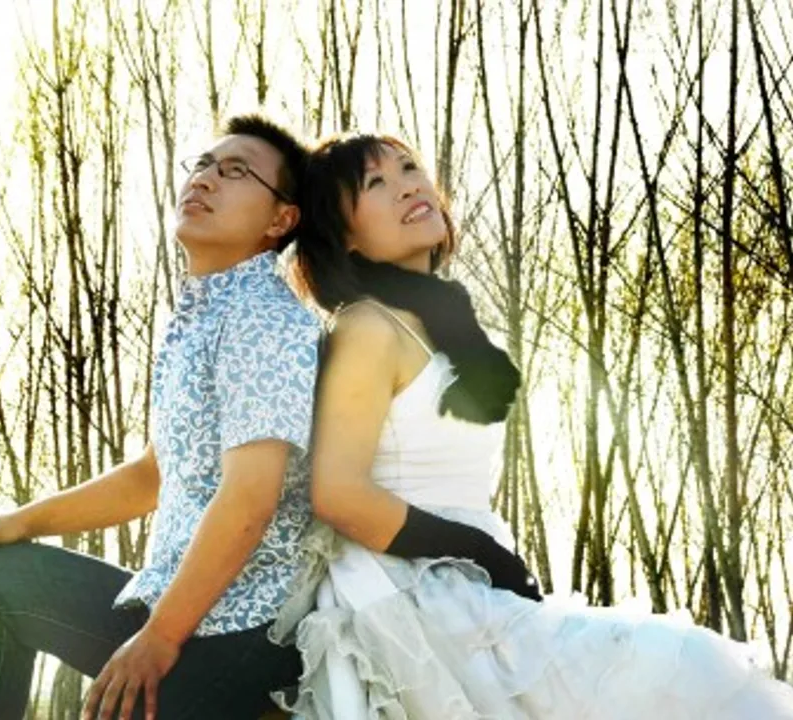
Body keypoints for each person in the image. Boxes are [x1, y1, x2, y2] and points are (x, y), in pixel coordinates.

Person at [269, 132, 793, 718]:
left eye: (409, 167)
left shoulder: (442, 323)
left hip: (463, 580)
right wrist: (479, 553)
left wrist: (486, 560)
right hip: (406, 588)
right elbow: (337, 493)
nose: (408, 186)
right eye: (376, 183)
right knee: (685, 664)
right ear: (344, 236)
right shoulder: (368, 327)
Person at [0, 115, 322, 720]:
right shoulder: (201, 315)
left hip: (239, 634)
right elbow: (152, 475)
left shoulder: (263, 318)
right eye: (203, 164)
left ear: (280, 220)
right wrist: (19, 522)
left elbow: (250, 500)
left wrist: (160, 637)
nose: (205, 179)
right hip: (174, 611)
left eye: (236, 171)